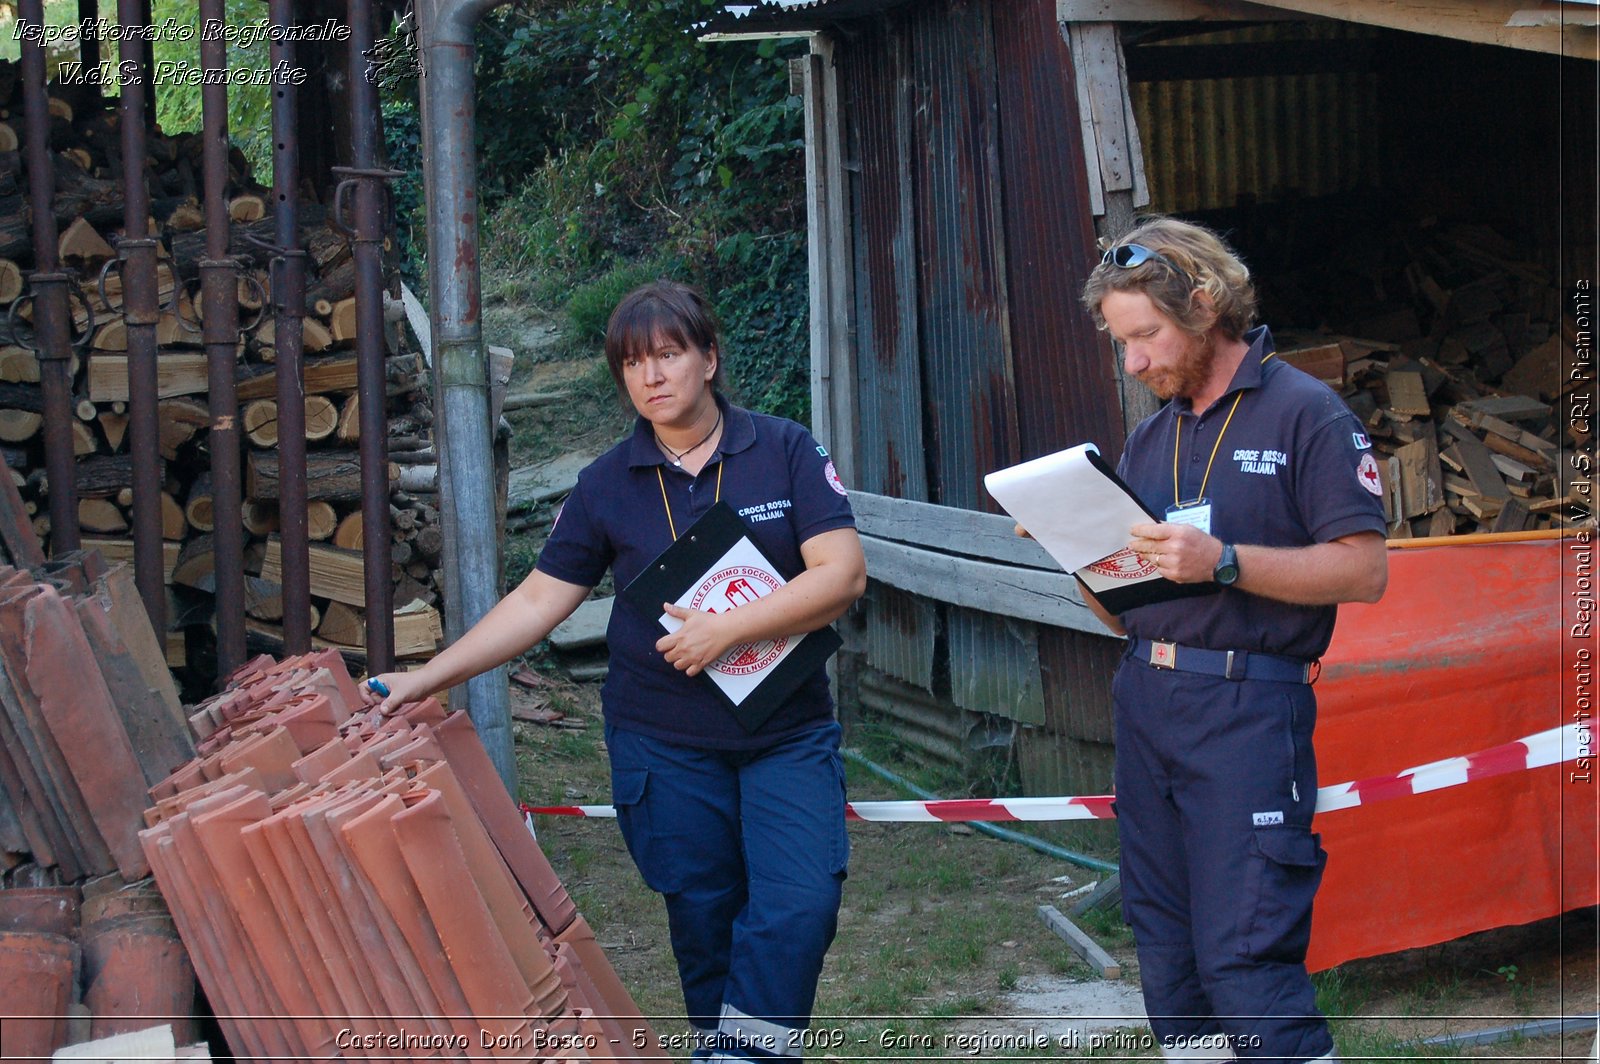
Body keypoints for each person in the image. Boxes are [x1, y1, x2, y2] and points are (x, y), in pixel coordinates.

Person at [364, 281, 866, 1062]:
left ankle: (745, 1054)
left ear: (708, 358)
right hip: (663, 742)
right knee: (704, 919)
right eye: (632, 363)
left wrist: (724, 631)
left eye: (668, 354)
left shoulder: (784, 450)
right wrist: (425, 676)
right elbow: (537, 600)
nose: (651, 377)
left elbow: (840, 577)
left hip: (785, 731)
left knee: (799, 904)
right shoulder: (606, 483)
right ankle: (732, 1052)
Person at [1075, 218, 1388, 1063]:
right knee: (1170, 959)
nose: (1134, 362)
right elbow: (1120, 612)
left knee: (1245, 955)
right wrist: (1078, 547)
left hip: (1249, 706)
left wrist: (1224, 564)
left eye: (1146, 335)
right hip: (1146, 697)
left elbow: (1364, 572)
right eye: (1121, 342)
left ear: (1206, 305)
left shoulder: (1306, 413)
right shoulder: (1149, 437)